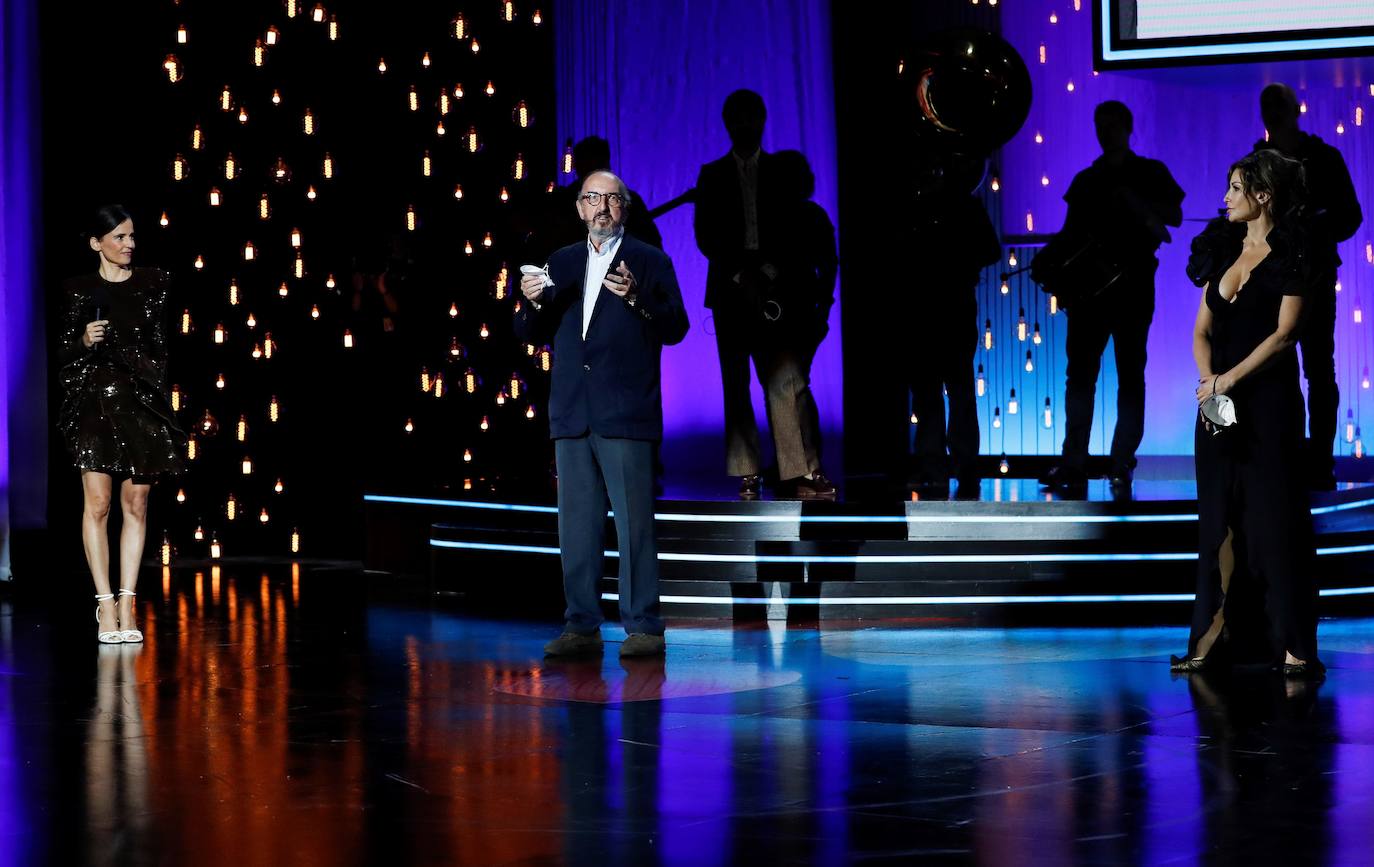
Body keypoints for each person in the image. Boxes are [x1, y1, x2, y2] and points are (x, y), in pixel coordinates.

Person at [514, 171, 688, 658]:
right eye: (592, 199)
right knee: (577, 525)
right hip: (571, 413)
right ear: (579, 209)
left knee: (634, 524)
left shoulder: (650, 262)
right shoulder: (562, 262)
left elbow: (676, 326)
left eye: (611, 199)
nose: (601, 208)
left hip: (625, 413)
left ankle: (644, 626)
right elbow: (531, 333)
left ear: (625, 208)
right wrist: (530, 306)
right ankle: (581, 624)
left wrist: (636, 296)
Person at [1173, 150, 1322, 680]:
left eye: (1237, 188)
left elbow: (1285, 335)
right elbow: (1201, 330)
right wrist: (1209, 384)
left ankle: (1293, 643)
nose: (1226, 197)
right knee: (1221, 517)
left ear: (1263, 195)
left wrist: (1228, 381)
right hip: (1218, 401)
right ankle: (1217, 635)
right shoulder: (1222, 248)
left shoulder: (1293, 249)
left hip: (1268, 403)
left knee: (1274, 516)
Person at [695, 89, 836, 499]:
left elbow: (793, 231)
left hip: (779, 287)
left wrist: (768, 273)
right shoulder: (712, 174)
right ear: (727, 124)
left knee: (784, 381)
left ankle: (798, 470)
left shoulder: (781, 169)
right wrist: (742, 275)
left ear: (762, 120)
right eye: (737, 119)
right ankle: (747, 472)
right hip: (729, 290)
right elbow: (708, 237)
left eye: (750, 118)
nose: (744, 126)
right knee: (736, 383)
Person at [1041, 100, 1184, 494]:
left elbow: (1173, 216)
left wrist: (1132, 201)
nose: (1106, 133)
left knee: (1124, 376)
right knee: (1086, 377)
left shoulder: (1146, 173)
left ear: (1127, 127)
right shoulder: (1089, 180)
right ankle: (1078, 462)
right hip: (1091, 293)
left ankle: (1117, 462)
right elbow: (1070, 233)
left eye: (1112, 126)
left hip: (1131, 289)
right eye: (1101, 127)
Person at [58, 205, 185, 644]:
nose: (129, 244)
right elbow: (62, 357)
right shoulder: (78, 291)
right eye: (119, 237)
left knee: (136, 505)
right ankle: (105, 604)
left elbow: (160, 348)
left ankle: (129, 601)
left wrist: (144, 379)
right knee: (98, 504)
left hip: (141, 403)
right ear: (97, 243)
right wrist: (82, 342)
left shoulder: (154, 284)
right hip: (94, 403)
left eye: (132, 236)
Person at [1253, 83, 1363, 490]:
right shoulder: (1255, 163)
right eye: (1268, 108)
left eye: (1276, 107)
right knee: (1278, 372)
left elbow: (1350, 216)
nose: (1271, 114)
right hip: (1269, 283)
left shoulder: (1322, 159)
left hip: (1313, 278)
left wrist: (1311, 226)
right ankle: (1285, 457)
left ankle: (1318, 459)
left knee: (1317, 370)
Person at [907, 151, 1002, 497]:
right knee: (939, 391)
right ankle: (949, 465)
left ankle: (954, 465)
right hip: (929, 309)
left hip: (950, 307)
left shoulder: (961, 206)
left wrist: (956, 260)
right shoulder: (921, 209)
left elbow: (991, 250)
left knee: (952, 389)